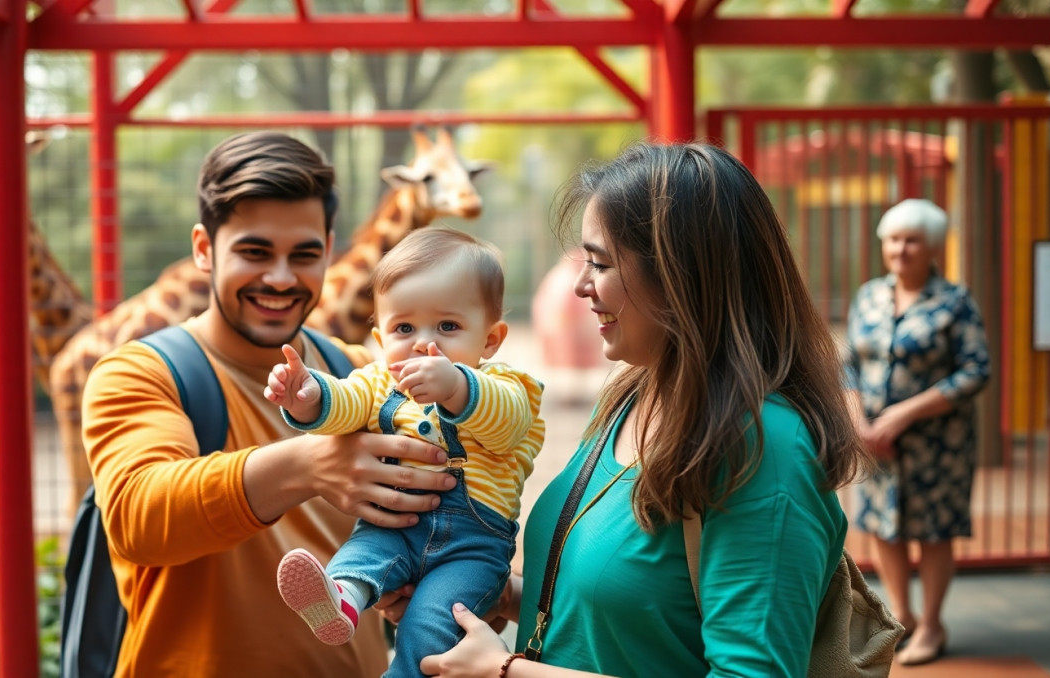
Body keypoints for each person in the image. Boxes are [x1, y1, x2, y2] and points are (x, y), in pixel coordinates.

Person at [376, 141, 870, 678]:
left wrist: (506, 672)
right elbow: (633, 615)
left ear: (681, 274)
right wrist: (483, 600)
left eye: (601, 263)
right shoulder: (634, 393)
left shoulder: (763, 449)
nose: (582, 286)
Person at [80, 131, 459, 677]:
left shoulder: (362, 371)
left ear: (330, 249)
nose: (281, 278)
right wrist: (310, 466)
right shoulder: (139, 373)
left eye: (303, 255)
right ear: (204, 249)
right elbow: (137, 517)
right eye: (255, 252)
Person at [265, 226, 545, 678]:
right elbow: (347, 402)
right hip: (395, 525)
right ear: (379, 338)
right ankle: (341, 602)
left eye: (448, 327)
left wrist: (456, 386)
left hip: (472, 545)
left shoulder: (510, 387)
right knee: (361, 557)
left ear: (490, 339)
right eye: (404, 327)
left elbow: (507, 427)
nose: (422, 342)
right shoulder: (379, 381)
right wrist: (309, 396)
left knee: (431, 622)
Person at [843, 198, 991, 666]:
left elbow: (976, 371)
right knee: (884, 529)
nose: (901, 249)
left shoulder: (954, 301)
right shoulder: (868, 295)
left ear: (931, 248)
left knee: (932, 531)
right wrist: (859, 424)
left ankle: (932, 624)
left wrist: (903, 415)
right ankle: (900, 617)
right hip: (875, 443)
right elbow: (847, 364)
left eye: (912, 241)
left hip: (936, 444)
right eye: (893, 240)